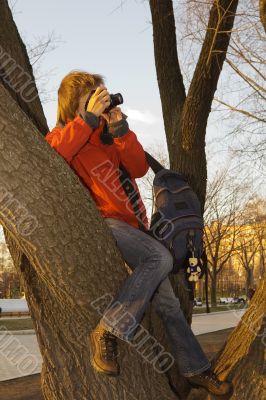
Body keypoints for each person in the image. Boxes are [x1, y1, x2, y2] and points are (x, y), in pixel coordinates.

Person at [45, 70, 233, 396]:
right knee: (159, 256)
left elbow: (138, 168)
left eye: (100, 97)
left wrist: (120, 130)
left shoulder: (106, 137)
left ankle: (195, 369)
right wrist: (87, 119)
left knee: (170, 305)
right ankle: (108, 330)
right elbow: (55, 156)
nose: (99, 104)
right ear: (73, 106)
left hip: (135, 229)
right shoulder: (64, 135)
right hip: (105, 224)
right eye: (90, 99)